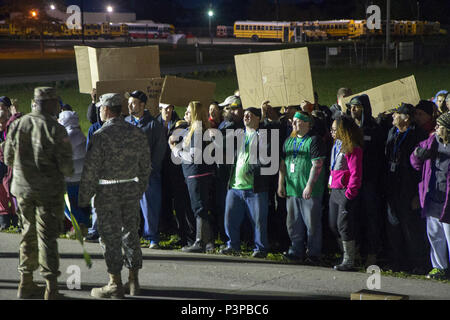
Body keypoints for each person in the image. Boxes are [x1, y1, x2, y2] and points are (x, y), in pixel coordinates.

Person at [78, 93, 151, 299]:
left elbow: (90, 171)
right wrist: (139, 189)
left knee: (110, 238)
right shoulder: (136, 133)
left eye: (101, 108)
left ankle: (115, 284)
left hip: (107, 192)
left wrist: (84, 199)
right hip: (130, 189)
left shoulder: (100, 136)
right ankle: (134, 281)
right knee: (131, 234)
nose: (99, 111)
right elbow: (146, 167)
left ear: (107, 110)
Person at [4, 87, 74, 299]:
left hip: (23, 191)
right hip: (47, 193)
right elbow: (67, 168)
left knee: (27, 233)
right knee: (47, 237)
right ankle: (51, 287)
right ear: (51, 104)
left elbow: (7, 157)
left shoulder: (17, 124)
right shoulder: (56, 129)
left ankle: (25, 283)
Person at [220, 107, 272, 258]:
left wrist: (253, 167)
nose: (246, 117)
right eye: (244, 115)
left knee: (258, 221)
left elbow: (267, 156)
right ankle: (233, 245)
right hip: (235, 186)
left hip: (255, 188)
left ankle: (260, 249)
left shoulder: (264, 135)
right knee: (230, 219)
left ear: (258, 118)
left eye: (250, 115)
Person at [384, 103, 429, 273]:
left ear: (406, 118)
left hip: (409, 187)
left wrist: (418, 193)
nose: (393, 116)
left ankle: (418, 263)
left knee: (410, 226)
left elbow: (421, 167)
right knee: (393, 225)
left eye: (397, 114)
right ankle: (397, 261)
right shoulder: (391, 133)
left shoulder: (418, 135)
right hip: (392, 184)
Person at [278, 111, 326, 264]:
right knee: (293, 222)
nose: (294, 124)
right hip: (293, 189)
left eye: (298, 122)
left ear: (307, 124)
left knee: (312, 223)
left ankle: (313, 253)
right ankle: (296, 250)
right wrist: (281, 183)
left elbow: (317, 164)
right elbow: (283, 164)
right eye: (293, 121)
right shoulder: (289, 141)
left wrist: (309, 186)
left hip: (309, 191)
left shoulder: (313, 140)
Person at [169, 101, 215, 253]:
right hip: (196, 174)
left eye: (188, 112)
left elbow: (194, 155)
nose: (185, 115)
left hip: (197, 174)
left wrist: (177, 152)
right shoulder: (195, 130)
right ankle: (208, 242)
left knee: (199, 208)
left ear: (195, 114)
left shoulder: (197, 131)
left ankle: (200, 242)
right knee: (200, 207)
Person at [410, 113, 450, 280]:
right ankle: (439, 267)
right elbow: (415, 162)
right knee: (434, 234)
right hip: (432, 195)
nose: (436, 128)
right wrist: (417, 154)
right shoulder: (431, 142)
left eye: (439, 126)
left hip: (447, 199)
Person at [347, 94, 386, 266]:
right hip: (352, 182)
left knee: (371, 217)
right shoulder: (348, 127)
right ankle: (355, 252)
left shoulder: (374, 128)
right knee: (353, 217)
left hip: (369, 181)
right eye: (351, 106)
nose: (352, 109)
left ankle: (372, 253)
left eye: (356, 106)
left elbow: (379, 156)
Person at [125, 90, 166, 249]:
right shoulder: (126, 122)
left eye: (133, 103)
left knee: (149, 207)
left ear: (142, 105)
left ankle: (152, 238)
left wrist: (151, 167)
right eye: (129, 103)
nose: (129, 105)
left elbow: (160, 148)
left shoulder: (153, 124)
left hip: (147, 175)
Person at [328, 116, 363, 271]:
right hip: (334, 190)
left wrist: (349, 193)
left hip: (345, 192)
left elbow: (356, 173)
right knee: (333, 224)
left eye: (335, 130)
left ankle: (349, 259)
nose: (332, 132)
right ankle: (344, 253)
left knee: (344, 225)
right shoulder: (337, 145)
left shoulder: (353, 148)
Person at [157, 103, 195, 246]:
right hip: (168, 173)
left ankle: (190, 237)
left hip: (180, 173)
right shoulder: (158, 123)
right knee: (177, 206)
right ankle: (181, 234)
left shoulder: (182, 126)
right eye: (164, 108)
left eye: (170, 108)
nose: (167, 111)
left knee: (185, 207)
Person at [58, 110, 90, 237]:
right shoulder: (80, 134)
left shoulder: (68, 136)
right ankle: (83, 225)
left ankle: (78, 226)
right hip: (81, 176)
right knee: (80, 203)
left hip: (70, 178)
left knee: (70, 205)